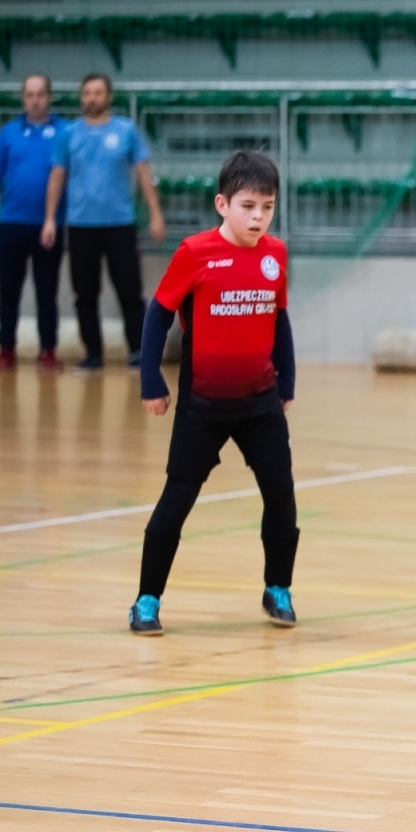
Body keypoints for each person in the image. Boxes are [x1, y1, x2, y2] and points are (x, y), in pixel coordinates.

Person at [128, 151, 297, 636]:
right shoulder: (195, 253)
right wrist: (151, 379)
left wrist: (286, 380)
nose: (258, 216)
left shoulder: (276, 255)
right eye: (248, 205)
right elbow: (158, 315)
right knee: (176, 500)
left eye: (267, 206)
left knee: (281, 498)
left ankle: (278, 588)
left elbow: (278, 319)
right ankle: (146, 599)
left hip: (260, 403)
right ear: (222, 204)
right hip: (202, 405)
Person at [41, 72, 166, 371]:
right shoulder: (68, 135)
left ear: (108, 97)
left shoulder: (126, 131)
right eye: (87, 93)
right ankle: (92, 354)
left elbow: (143, 173)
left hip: (119, 225)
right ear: (81, 97)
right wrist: (49, 219)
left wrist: (155, 213)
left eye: (98, 93)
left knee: (130, 292)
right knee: (85, 294)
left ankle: (139, 351)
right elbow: (57, 177)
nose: (92, 98)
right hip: (81, 226)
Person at [0, 73, 68, 373]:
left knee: (47, 292)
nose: (35, 100)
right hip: (11, 225)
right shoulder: (8, 134)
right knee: (9, 291)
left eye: (41, 94)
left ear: (50, 96)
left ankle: (48, 351)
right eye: (29, 95)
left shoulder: (66, 132)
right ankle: (6, 349)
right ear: (23, 98)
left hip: (49, 226)